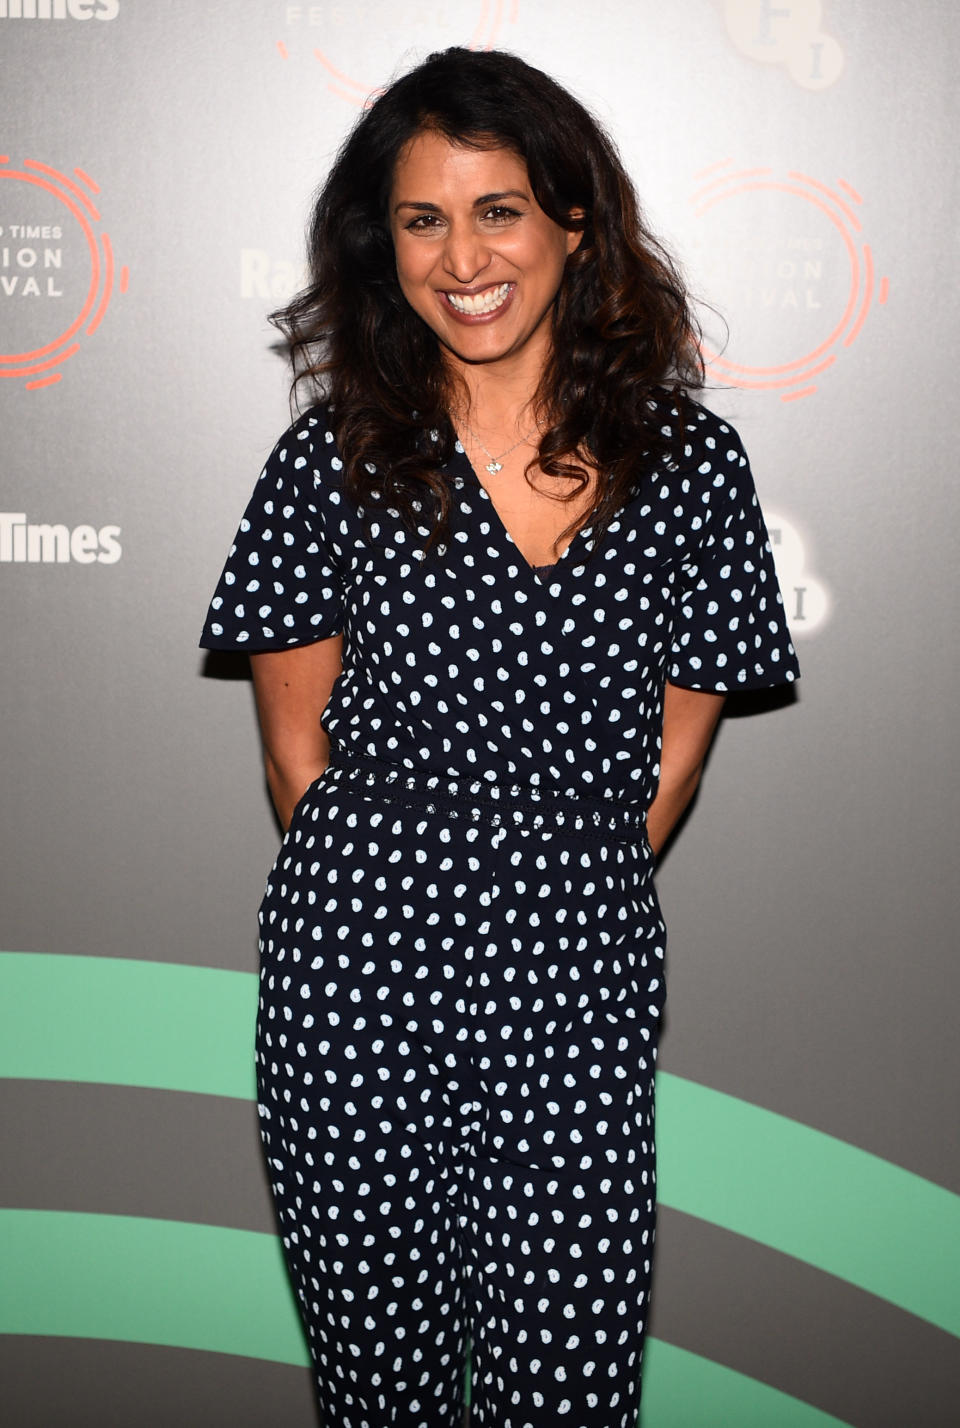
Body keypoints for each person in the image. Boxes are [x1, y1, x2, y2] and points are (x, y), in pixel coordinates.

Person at [201, 45, 799, 1428]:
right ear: (384, 247)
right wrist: (411, 898)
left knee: (571, 1389)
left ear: (572, 223)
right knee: (380, 1389)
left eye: (498, 209)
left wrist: (548, 891)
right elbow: (300, 767)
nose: (461, 254)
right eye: (422, 218)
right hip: (354, 981)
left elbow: (672, 764)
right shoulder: (333, 460)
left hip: (578, 981)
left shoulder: (689, 469)